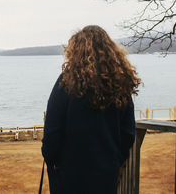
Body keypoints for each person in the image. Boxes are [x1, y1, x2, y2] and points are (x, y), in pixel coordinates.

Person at [42, 25, 141, 194]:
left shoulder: (66, 82)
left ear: (75, 51)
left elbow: (52, 131)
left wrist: (51, 158)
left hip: (68, 174)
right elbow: (128, 133)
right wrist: (114, 160)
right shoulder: (120, 84)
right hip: (105, 174)